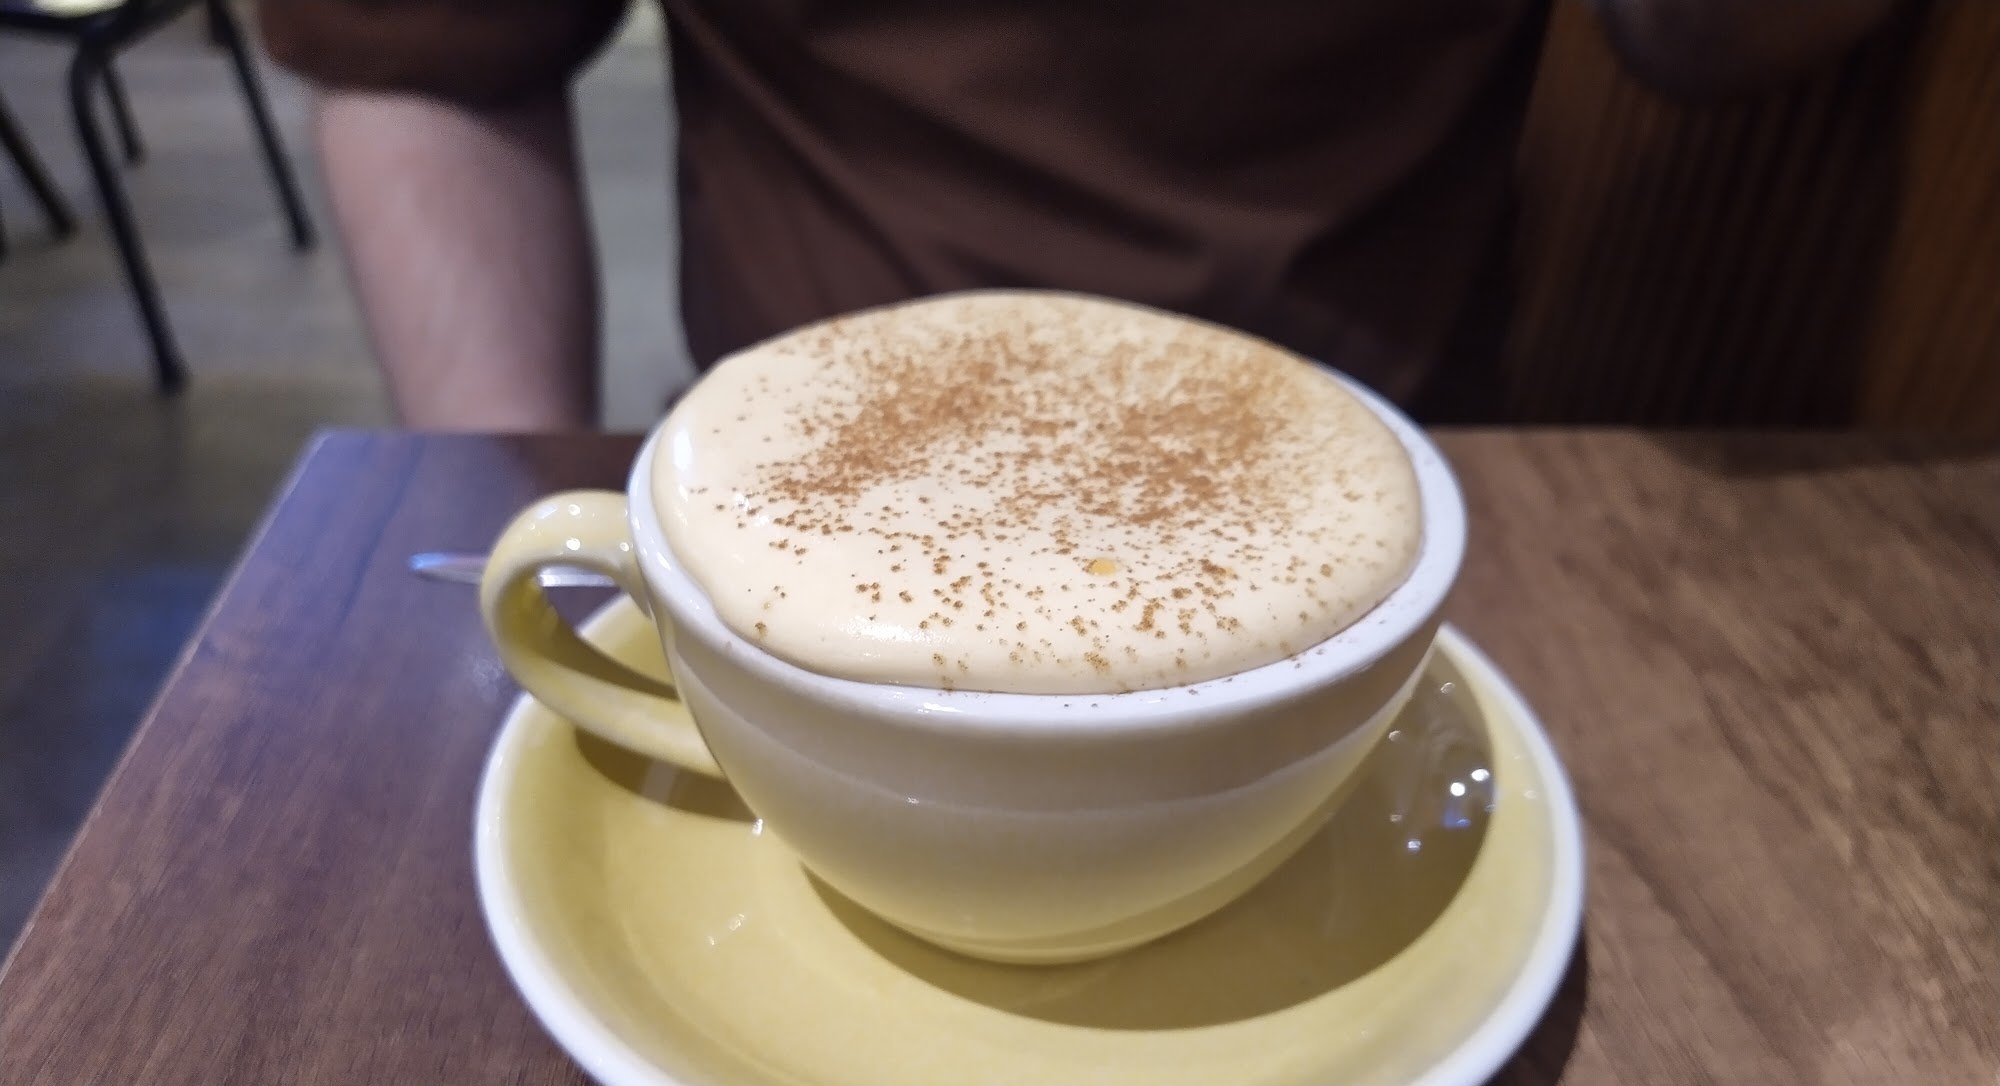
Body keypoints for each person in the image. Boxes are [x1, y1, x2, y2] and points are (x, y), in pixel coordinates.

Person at [257, 0, 1898, 430]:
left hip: (1400, 460)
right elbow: (438, 57)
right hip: (801, 464)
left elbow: (1702, 37)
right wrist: (526, 526)